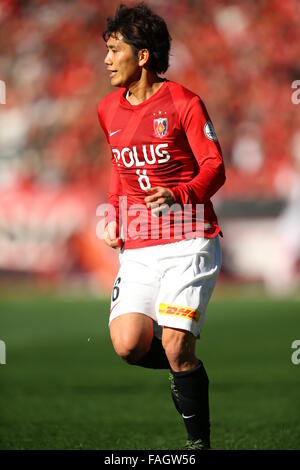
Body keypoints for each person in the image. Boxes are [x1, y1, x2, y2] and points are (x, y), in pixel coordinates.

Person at [97, 2, 226, 450]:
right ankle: (184, 367)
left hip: (189, 236)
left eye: (115, 50)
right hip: (139, 244)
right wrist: (115, 217)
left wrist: (180, 194)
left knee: (174, 343)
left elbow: (215, 167)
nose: (107, 60)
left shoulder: (184, 103)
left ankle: (198, 445)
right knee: (129, 345)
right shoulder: (106, 110)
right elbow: (119, 172)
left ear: (143, 55)